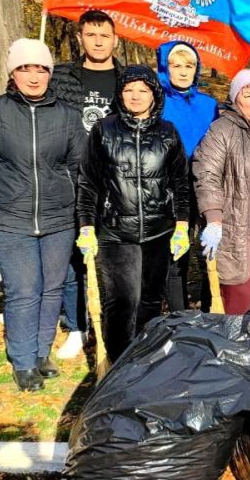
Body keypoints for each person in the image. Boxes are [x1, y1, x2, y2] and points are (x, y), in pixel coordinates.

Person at [0, 39, 84, 390]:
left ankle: (42, 352)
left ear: (49, 73)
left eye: (41, 68)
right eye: (25, 68)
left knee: (52, 288)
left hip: (59, 219)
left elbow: (80, 170)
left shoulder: (67, 116)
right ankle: (24, 359)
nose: (34, 75)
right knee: (24, 289)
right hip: (8, 218)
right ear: (13, 72)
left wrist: (85, 220)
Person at [76, 65, 190, 361]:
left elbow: (180, 182)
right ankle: (120, 364)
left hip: (159, 230)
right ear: (120, 94)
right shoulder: (104, 130)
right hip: (116, 232)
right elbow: (88, 182)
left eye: (143, 90)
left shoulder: (168, 133)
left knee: (151, 301)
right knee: (123, 301)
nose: (135, 96)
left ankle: (146, 361)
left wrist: (182, 224)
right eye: (129, 90)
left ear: (154, 95)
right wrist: (86, 225)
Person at [51, 10, 123, 359]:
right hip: (68, 178)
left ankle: (111, 323)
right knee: (72, 257)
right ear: (80, 37)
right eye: (91, 34)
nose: (97, 41)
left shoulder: (127, 79)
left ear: (115, 39)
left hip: (114, 183)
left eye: (104, 35)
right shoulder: (61, 77)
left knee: (111, 256)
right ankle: (77, 326)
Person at [193, 70, 250, 313]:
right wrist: (213, 219)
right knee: (238, 297)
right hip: (237, 228)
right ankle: (235, 348)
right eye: (249, 94)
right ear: (235, 98)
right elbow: (206, 173)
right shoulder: (222, 129)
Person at [156, 40, 218, 311]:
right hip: (170, 189)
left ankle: (209, 309)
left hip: (205, 185)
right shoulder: (156, 102)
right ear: (164, 67)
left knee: (210, 252)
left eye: (189, 66)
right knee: (176, 252)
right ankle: (179, 315)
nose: (182, 72)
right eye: (176, 65)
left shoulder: (209, 105)